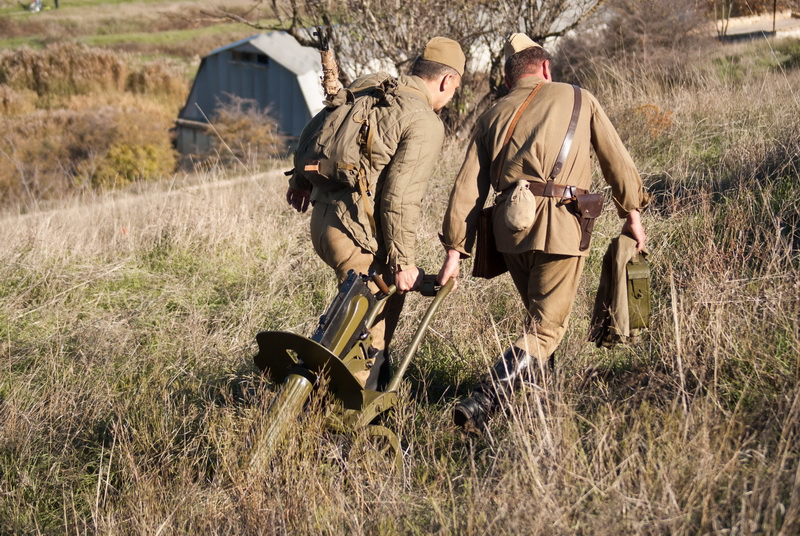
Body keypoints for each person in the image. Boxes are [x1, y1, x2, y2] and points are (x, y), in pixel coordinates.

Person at [437, 33, 650, 431]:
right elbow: (614, 158)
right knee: (547, 329)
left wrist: (454, 249)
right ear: (546, 68)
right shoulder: (578, 97)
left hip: (509, 234)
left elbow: (468, 188)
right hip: (562, 226)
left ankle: (543, 411)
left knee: (538, 321)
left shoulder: (491, 115)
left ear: (508, 78)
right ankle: (484, 398)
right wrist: (632, 212)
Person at [287, 36, 466, 389]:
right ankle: (337, 424)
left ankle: (350, 394)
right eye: (454, 90)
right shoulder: (424, 122)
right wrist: (403, 263)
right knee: (365, 340)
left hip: (324, 222)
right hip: (357, 238)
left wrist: (300, 180)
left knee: (352, 324)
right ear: (447, 81)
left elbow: (321, 127)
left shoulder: (372, 87)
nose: (450, 99)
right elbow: (399, 199)